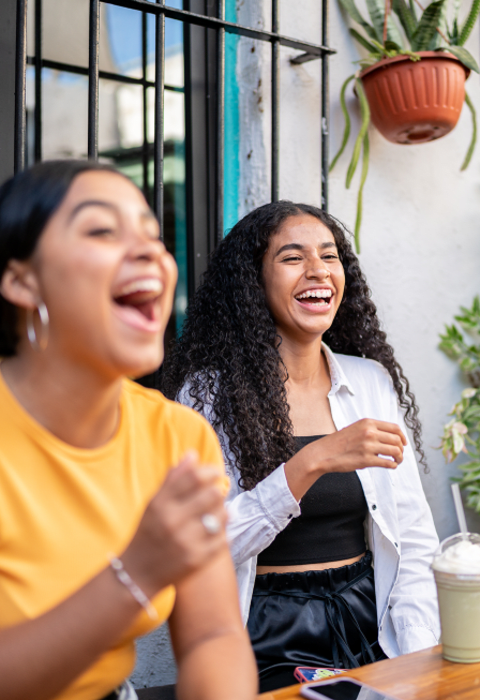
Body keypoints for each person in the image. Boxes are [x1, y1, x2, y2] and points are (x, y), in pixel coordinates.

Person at [0, 161, 257, 700]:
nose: (152, 251)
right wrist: (135, 573)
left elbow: (213, 635)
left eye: (153, 235)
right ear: (20, 280)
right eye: (102, 230)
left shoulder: (178, 434)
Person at [162, 201, 440, 692]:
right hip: (266, 626)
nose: (318, 271)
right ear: (254, 283)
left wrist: (417, 657)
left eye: (329, 257)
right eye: (292, 258)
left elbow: (413, 537)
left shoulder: (370, 382)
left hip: (369, 616)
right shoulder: (207, 396)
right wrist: (310, 462)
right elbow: (202, 550)